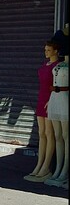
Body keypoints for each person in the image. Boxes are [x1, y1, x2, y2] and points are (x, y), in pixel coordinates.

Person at [25, 40, 61, 182]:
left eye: (48, 50)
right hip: (41, 98)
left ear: (55, 51)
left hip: (50, 100)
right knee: (41, 133)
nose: (46, 52)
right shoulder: (45, 65)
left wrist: (52, 100)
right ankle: (39, 165)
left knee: (49, 133)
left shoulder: (58, 66)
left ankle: (46, 167)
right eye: (45, 50)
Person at [45, 50, 69, 189]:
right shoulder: (59, 64)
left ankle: (65, 169)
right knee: (57, 135)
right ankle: (58, 168)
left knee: (66, 136)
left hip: (65, 98)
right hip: (54, 97)